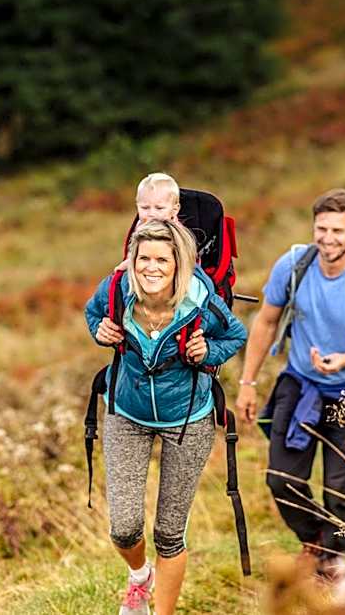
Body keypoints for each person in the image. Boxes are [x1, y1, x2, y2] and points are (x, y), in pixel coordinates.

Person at [234, 189, 345, 579]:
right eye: (321, 229)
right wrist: (247, 382)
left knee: (340, 494)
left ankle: (333, 572)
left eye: (337, 231)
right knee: (282, 481)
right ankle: (316, 540)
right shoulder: (294, 265)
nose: (328, 238)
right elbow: (266, 321)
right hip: (300, 385)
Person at [85, 219, 247, 615]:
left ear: (179, 265)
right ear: (132, 260)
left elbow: (235, 335)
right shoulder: (116, 290)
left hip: (188, 417)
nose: (151, 268)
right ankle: (140, 575)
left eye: (162, 260)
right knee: (124, 528)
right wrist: (100, 331)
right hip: (127, 412)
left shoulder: (201, 301)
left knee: (169, 534)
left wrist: (207, 353)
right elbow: (92, 313)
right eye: (143, 258)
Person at [114, 172, 182, 272]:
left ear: (174, 210)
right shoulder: (140, 226)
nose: (151, 214)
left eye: (159, 208)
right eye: (145, 207)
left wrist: (129, 263)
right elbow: (132, 252)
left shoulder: (176, 232)